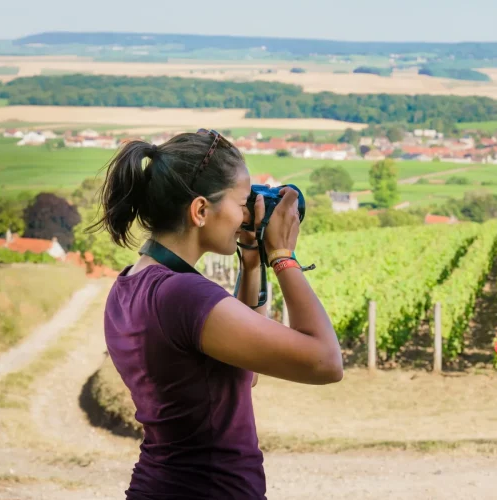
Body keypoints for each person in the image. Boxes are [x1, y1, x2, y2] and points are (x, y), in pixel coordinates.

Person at [90, 129, 343, 499]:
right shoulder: (183, 295)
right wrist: (283, 256)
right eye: (242, 202)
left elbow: (243, 372)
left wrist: (252, 262)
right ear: (201, 210)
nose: (246, 214)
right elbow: (325, 362)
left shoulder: (130, 285)